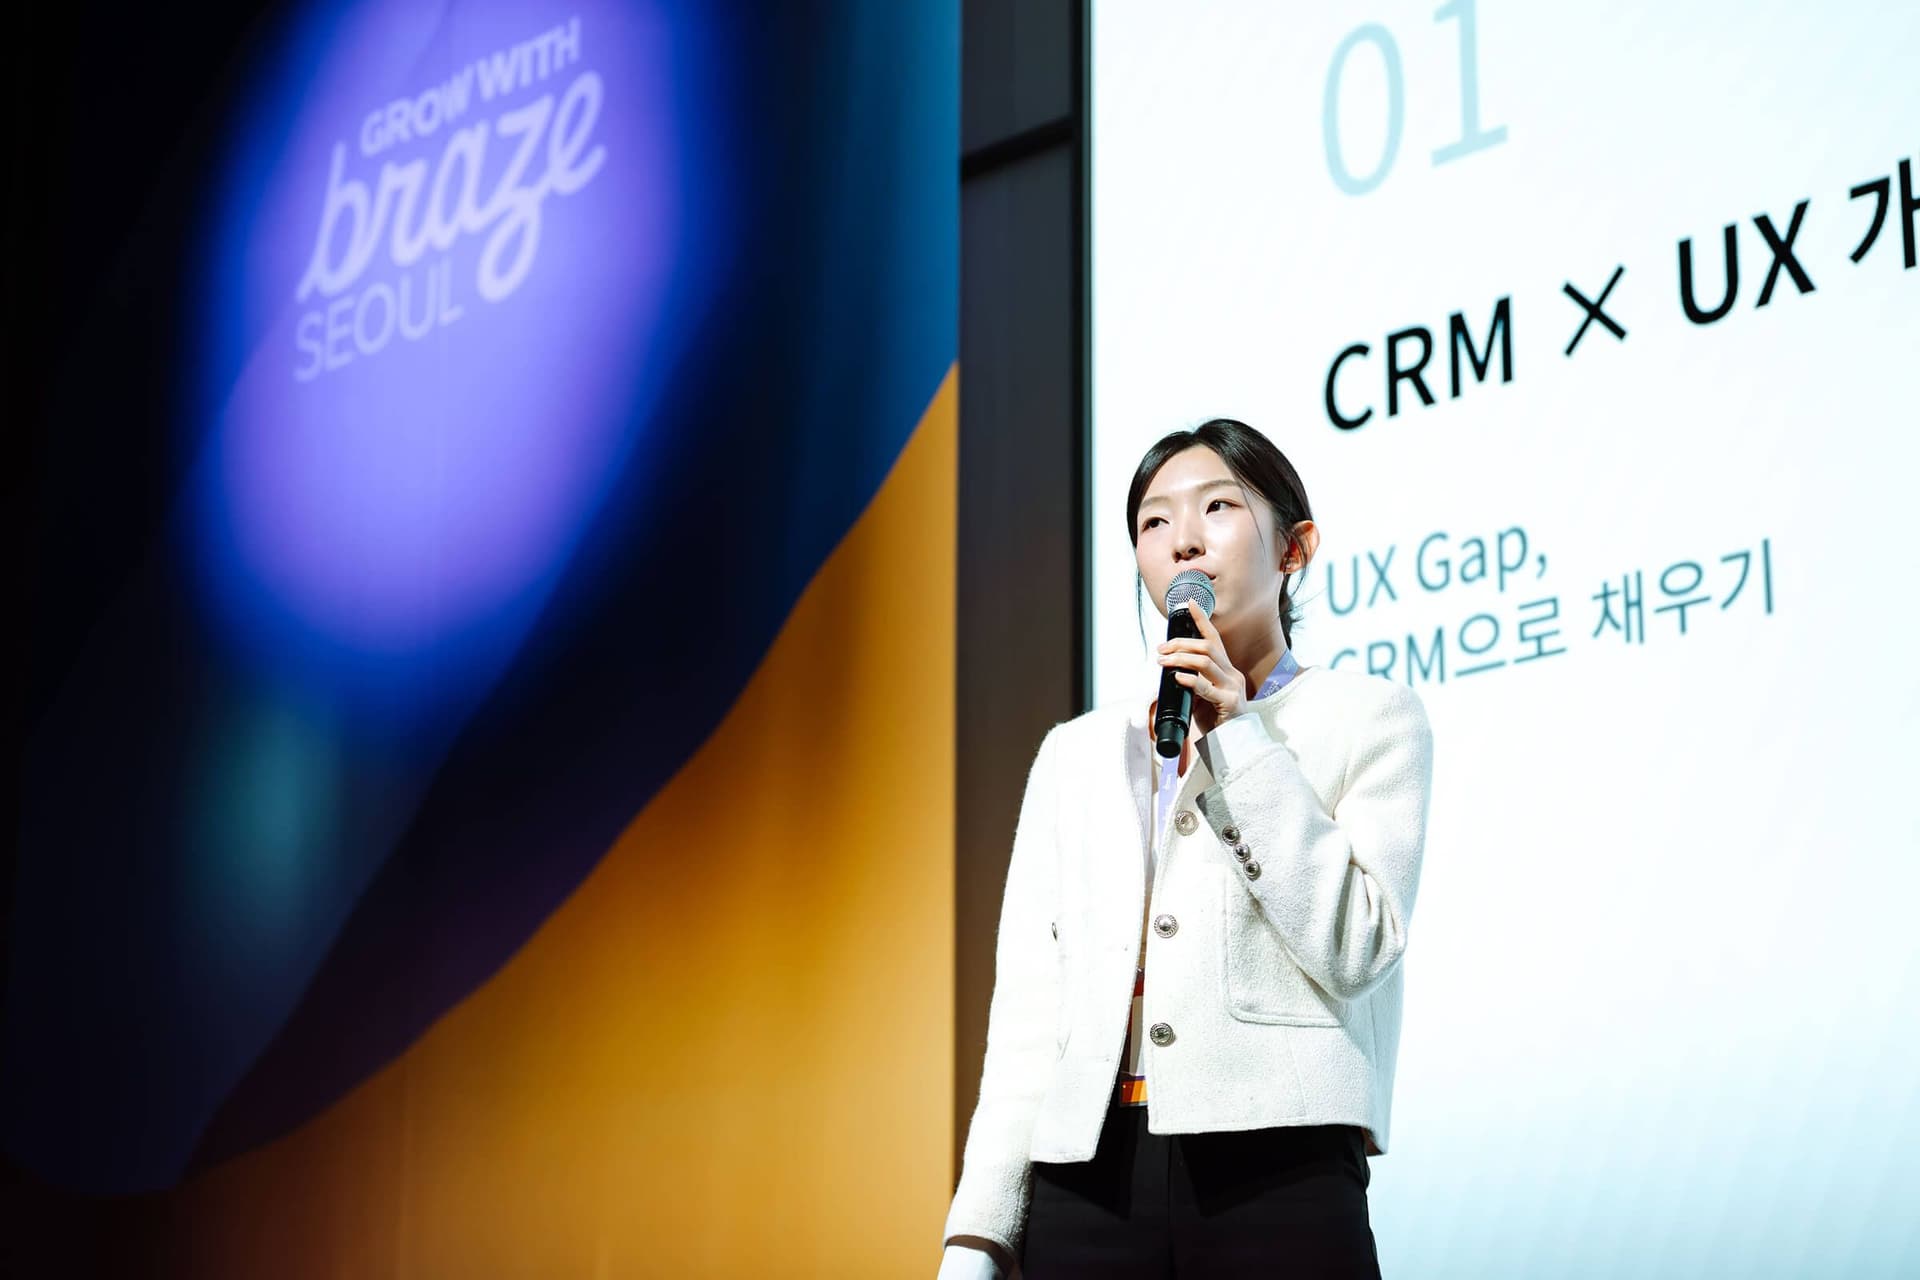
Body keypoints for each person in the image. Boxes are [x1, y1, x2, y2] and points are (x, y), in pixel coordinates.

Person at [938, 419, 1435, 1278]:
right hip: (1083, 1182)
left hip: (1277, 1170)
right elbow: (1030, 1011)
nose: (1185, 539)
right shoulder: (1077, 753)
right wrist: (977, 1234)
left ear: (1296, 547)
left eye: (1217, 507)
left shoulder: (1370, 718)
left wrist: (1239, 736)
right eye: (1153, 522)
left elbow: (1358, 947)